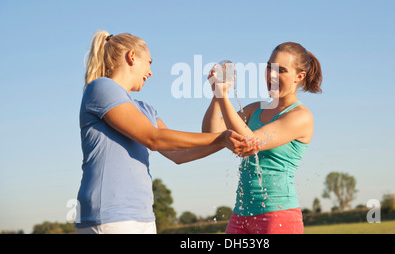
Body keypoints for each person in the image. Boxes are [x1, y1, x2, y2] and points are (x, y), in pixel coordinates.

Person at [75, 30, 253, 234]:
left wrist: (226, 143)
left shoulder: (146, 109)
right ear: (132, 56)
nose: (150, 72)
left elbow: (177, 153)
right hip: (107, 216)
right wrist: (220, 137)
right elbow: (153, 138)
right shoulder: (101, 88)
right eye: (149, 62)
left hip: (142, 217)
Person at [202, 42, 322, 234]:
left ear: (299, 77)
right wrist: (217, 94)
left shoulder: (300, 116)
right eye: (269, 67)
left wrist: (225, 97)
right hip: (241, 215)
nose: (272, 75)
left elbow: (250, 143)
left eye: (281, 70)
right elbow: (211, 132)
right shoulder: (255, 109)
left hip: (278, 216)